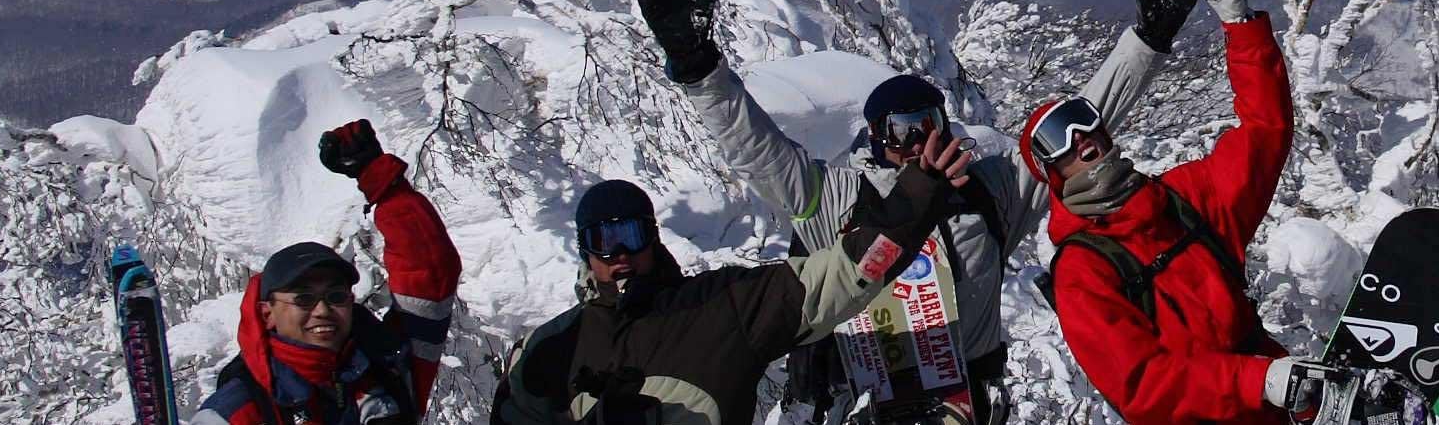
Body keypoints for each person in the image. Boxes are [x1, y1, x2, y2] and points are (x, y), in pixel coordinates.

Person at [658, 0, 1194, 425]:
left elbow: (1075, 130)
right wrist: (700, 69)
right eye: (901, 129)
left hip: (967, 402)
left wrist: (1148, 39)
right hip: (867, 404)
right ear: (874, 137)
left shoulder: (989, 190)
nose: (918, 141)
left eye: (929, 122)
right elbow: (756, 149)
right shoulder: (838, 199)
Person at [487, 136, 975, 425]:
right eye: (603, 240)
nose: (619, 254)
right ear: (584, 249)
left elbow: (846, 272)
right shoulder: (550, 347)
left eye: (631, 236)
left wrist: (919, 192)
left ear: (653, 239)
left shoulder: (723, 308)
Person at [1032, 0, 1316, 425]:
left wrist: (1241, 25)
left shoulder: (1183, 201)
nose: (1079, 141)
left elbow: (1263, 135)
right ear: (1051, 176)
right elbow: (1144, 386)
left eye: (1085, 125)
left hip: (1281, 409)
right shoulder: (1083, 271)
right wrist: (1255, 381)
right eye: (1056, 143)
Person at [198, 119, 462, 425]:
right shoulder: (240, 412)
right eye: (303, 299)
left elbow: (430, 272)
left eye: (335, 296)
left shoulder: (390, 367)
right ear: (267, 313)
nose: (322, 310)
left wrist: (381, 182)